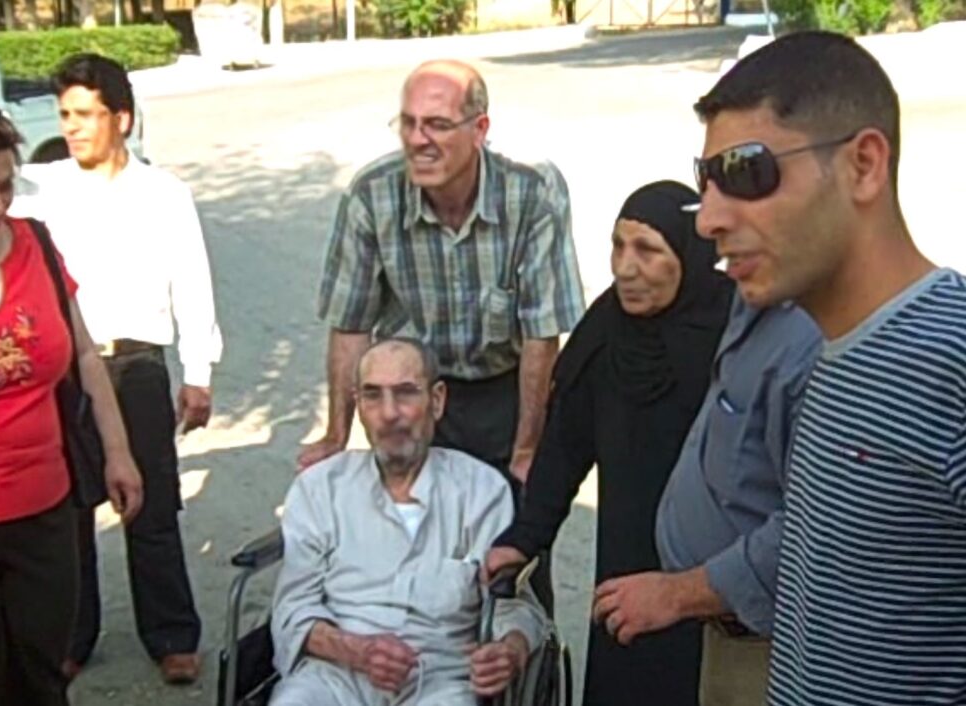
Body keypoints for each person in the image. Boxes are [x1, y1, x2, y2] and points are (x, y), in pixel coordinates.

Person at [694, 32, 966, 705]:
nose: (709, 219)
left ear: (864, 165)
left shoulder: (949, 362)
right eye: (705, 182)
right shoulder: (833, 355)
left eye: (747, 172)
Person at [13, 54, 222, 684]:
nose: (72, 128)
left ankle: (172, 636)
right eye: (64, 116)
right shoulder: (40, 188)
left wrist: (199, 370)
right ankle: (74, 636)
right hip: (66, 374)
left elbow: (194, 283)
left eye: (85, 115)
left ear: (121, 119)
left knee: (152, 511)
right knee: (70, 513)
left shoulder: (164, 194)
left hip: (136, 368)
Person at [485, 180, 734, 705]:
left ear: (691, 254)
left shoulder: (734, 330)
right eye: (618, 246)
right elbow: (565, 449)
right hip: (624, 573)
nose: (624, 266)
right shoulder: (606, 332)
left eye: (647, 249)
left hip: (713, 584)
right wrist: (525, 536)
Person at [299, 59, 585, 490]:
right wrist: (336, 435)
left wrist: (527, 449)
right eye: (408, 123)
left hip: (506, 391)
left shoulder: (531, 194)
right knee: (413, 536)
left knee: (509, 540)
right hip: (417, 392)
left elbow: (541, 337)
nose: (418, 140)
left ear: (479, 129)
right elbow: (350, 325)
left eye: (436, 124)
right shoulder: (371, 196)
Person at [0, 93, 142, 705]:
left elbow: (83, 355)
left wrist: (118, 451)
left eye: (6, 187)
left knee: (42, 679)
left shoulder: (36, 244)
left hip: (45, 515)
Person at [270, 338, 545, 706]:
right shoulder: (320, 489)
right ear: (359, 404)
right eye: (372, 395)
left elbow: (514, 604)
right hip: (335, 675)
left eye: (405, 393)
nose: (389, 413)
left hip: (442, 678)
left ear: (437, 401)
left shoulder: (482, 492)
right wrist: (356, 650)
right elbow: (292, 608)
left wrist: (510, 650)